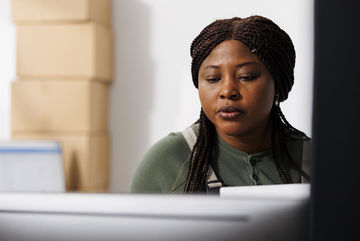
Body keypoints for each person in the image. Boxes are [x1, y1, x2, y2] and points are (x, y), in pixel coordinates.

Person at [130, 15, 311, 194]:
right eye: (213, 78)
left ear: (277, 84)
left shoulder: (320, 161)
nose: (227, 91)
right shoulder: (164, 163)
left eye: (246, 77)